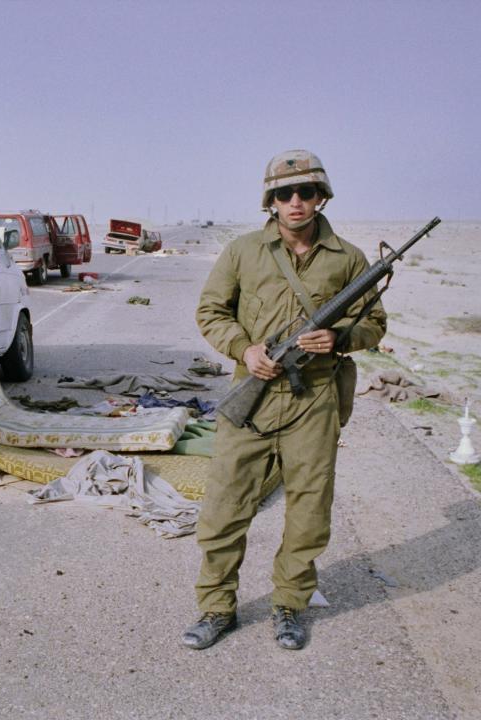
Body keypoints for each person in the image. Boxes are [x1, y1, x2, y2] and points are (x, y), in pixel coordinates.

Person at [182, 150, 387, 650]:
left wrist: (338, 338)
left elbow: (375, 323)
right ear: (269, 201)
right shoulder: (243, 251)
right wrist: (244, 349)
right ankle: (215, 608)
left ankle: (289, 607)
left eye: (306, 192)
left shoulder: (350, 259)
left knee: (309, 512)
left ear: (322, 197)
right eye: (283, 194)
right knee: (225, 508)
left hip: (314, 400)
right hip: (250, 400)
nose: (295, 202)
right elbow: (211, 311)